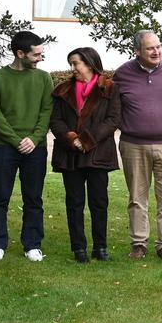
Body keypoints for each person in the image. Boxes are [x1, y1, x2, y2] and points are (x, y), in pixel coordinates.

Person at [113, 30, 162, 261]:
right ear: (137, 51)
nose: (157, 51)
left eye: (158, 46)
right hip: (133, 145)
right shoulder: (123, 74)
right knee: (137, 198)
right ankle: (139, 243)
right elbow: (115, 107)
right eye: (150, 48)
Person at [0, 31, 52, 262]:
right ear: (20, 53)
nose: (40, 58)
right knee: (0, 196)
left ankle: (32, 244)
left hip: (36, 147)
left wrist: (34, 138)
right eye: (36, 54)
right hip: (4, 147)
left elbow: (46, 112)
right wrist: (16, 140)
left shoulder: (44, 78)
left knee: (33, 198)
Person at [50, 47, 121, 263]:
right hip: (70, 153)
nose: (73, 68)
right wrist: (72, 138)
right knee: (74, 202)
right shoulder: (62, 90)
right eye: (71, 63)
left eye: (76, 63)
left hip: (98, 152)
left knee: (99, 202)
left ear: (89, 64)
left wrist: (87, 140)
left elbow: (113, 120)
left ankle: (100, 247)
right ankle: (78, 248)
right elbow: (55, 121)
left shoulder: (110, 88)